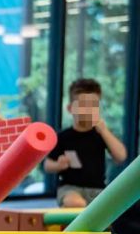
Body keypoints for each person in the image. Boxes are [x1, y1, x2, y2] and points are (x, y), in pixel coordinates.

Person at [43, 78, 127, 207]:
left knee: (111, 209)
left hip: (98, 190)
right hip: (70, 188)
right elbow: (47, 165)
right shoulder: (63, 136)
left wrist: (104, 131)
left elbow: (121, 156)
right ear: (70, 108)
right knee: (75, 202)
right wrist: (58, 165)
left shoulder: (101, 134)